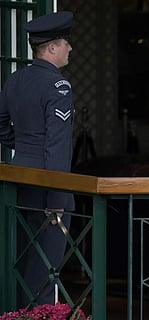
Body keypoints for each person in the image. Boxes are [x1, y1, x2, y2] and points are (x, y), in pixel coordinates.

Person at [0, 11, 75, 306]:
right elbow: (56, 147)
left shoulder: (16, 79)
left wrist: (23, 146)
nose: (70, 48)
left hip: (20, 179)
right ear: (52, 47)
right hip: (47, 188)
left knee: (19, 259)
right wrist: (56, 200)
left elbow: (1, 123)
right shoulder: (58, 86)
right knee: (45, 268)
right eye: (66, 43)